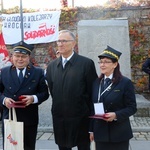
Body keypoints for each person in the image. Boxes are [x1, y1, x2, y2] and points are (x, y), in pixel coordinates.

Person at [46, 30, 98, 150]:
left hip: (81, 118)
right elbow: (54, 91)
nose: (60, 44)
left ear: (73, 43)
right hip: (60, 118)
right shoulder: (52, 66)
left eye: (64, 41)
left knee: (83, 146)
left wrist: (93, 120)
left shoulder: (86, 64)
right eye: (59, 41)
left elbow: (92, 92)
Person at [0, 41, 49, 150]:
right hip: (10, 117)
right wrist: (4, 100)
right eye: (17, 56)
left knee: (28, 147)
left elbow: (44, 94)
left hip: (29, 118)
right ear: (12, 57)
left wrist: (33, 98)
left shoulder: (38, 72)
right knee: (10, 146)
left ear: (29, 58)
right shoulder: (4, 72)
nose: (20, 59)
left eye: (23, 56)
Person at [89, 46, 137, 150]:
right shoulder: (96, 83)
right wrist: (91, 130)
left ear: (115, 64)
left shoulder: (125, 83)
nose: (102, 65)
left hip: (119, 133)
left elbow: (132, 107)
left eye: (106, 62)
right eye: (100, 62)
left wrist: (116, 115)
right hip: (100, 133)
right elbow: (92, 107)